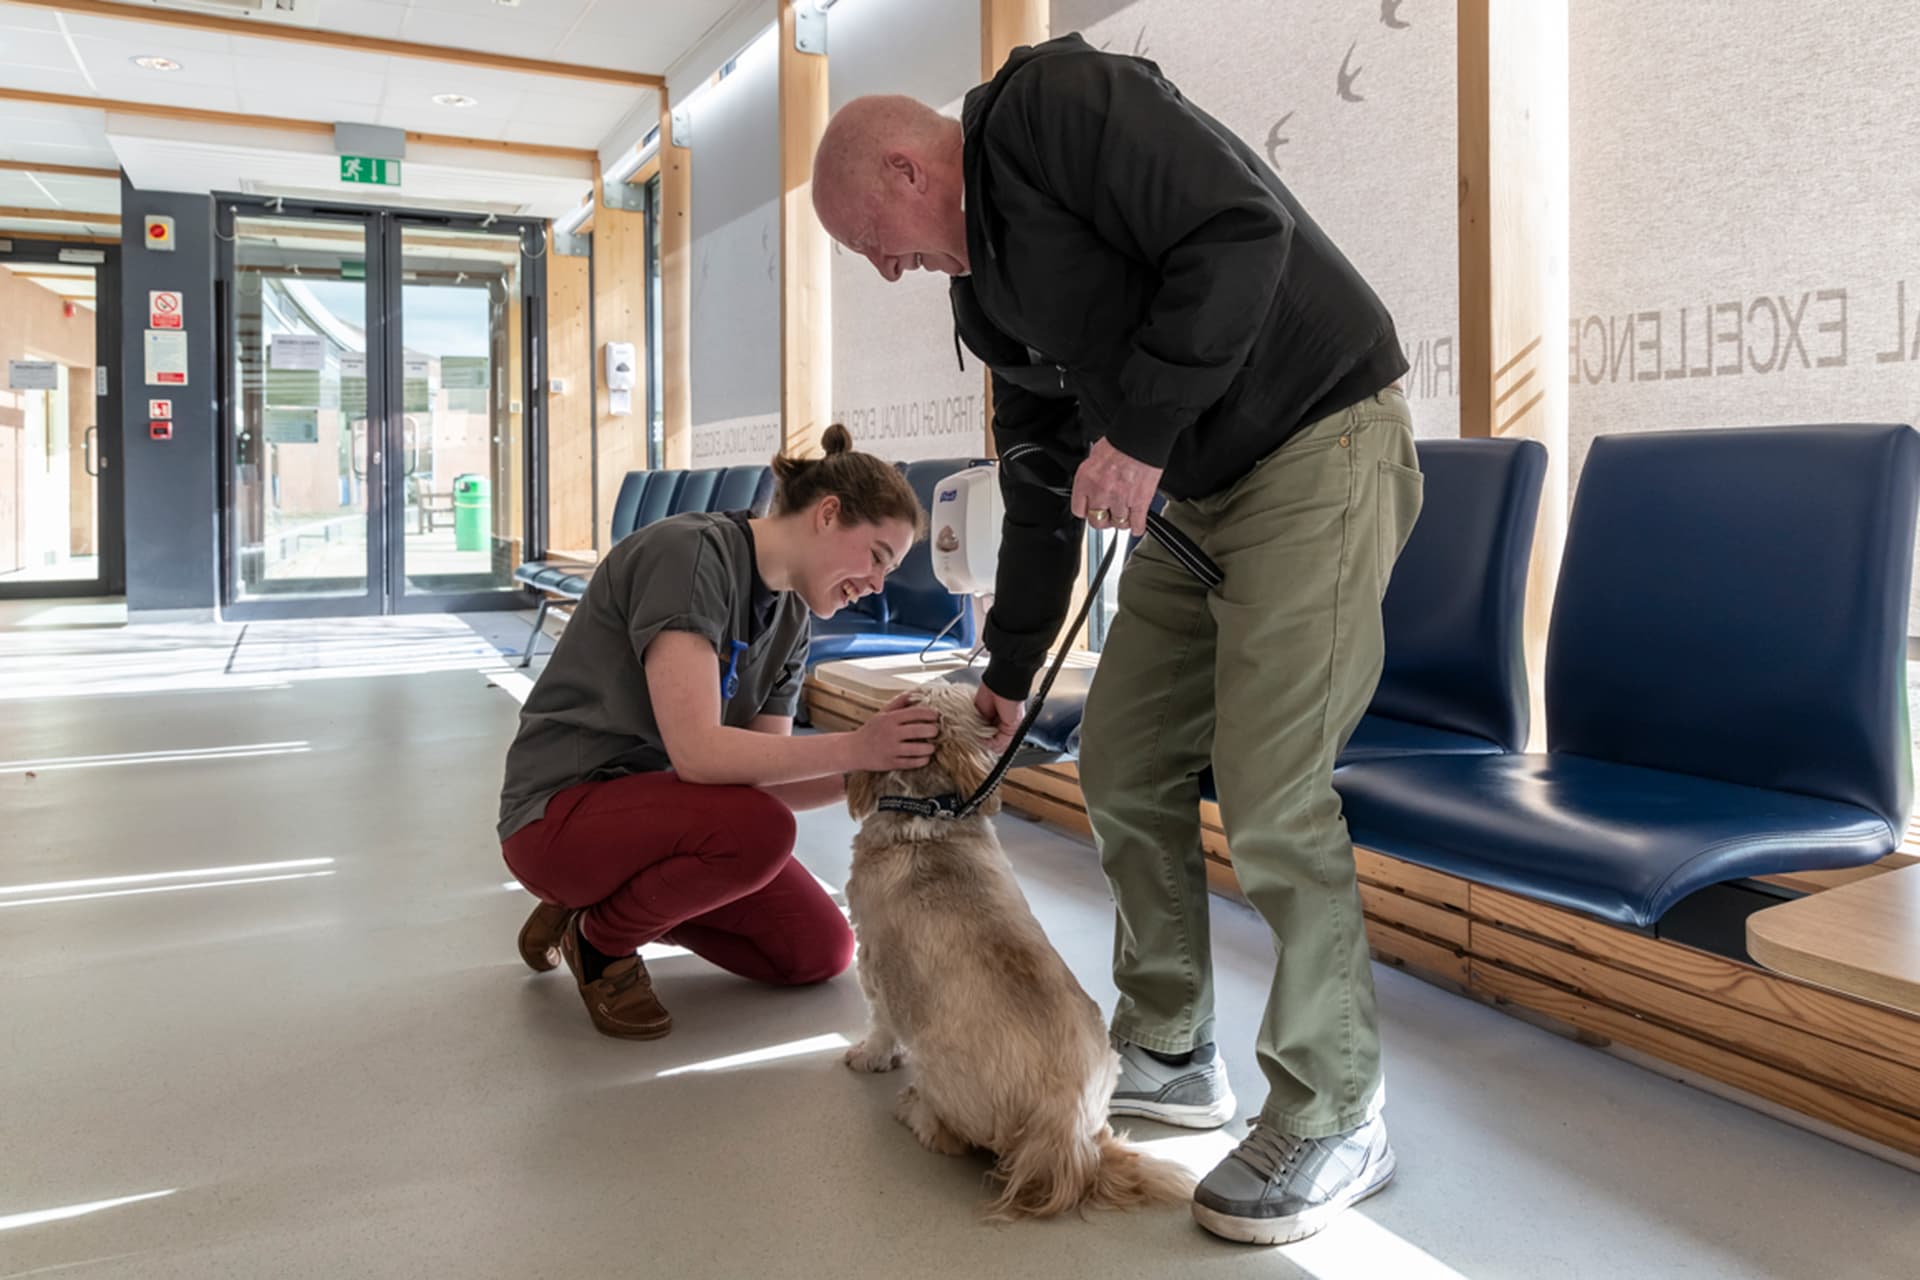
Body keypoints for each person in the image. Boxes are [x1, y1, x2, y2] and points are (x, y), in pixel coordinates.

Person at [811, 34, 1423, 1244]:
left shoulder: (1058, 106)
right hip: (1194, 490)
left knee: (1270, 782)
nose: (885, 271)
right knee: (1124, 759)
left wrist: (1138, 433)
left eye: (871, 242)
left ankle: (1338, 1104)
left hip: (1320, 437)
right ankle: (1174, 1044)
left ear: (902, 166)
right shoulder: (982, 299)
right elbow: (1040, 481)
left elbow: (1242, 233)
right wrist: (1006, 675)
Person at [496, 426, 939, 1040]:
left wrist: (878, 769)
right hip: (559, 817)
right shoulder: (690, 555)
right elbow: (701, 754)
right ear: (829, 514)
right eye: (878, 557)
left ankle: (599, 904)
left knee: (816, 951)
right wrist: (859, 744)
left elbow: (764, 780)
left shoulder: (792, 617)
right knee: (759, 834)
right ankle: (602, 941)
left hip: (661, 821)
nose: (877, 584)